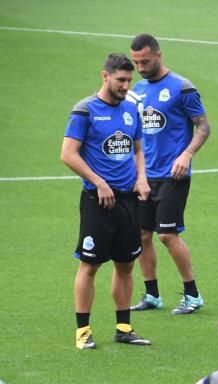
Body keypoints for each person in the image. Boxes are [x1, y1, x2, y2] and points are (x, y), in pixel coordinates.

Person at [61, 53, 152, 350]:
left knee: (126, 265)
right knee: (90, 265)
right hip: (97, 202)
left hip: (128, 201)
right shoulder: (85, 111)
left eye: (129, 80)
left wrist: (142, 178)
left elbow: (138, 149)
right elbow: (68, 154)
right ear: (105, 76)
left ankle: (124, 328)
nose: (126, 86)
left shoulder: (130, 111)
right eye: (121, 80)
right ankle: (83, 332)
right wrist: (99, 182)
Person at [128, 33, 211, 315]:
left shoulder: (182, 88)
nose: (141, 68)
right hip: (143, 175)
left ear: (159, 55)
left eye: (146, 61)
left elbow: (203, 126)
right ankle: (152, 295)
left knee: (167, 235)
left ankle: (192, 295)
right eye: (136, 62)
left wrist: (186, 154)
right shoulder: (136, 90)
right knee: (142, 235)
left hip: (173, 175)